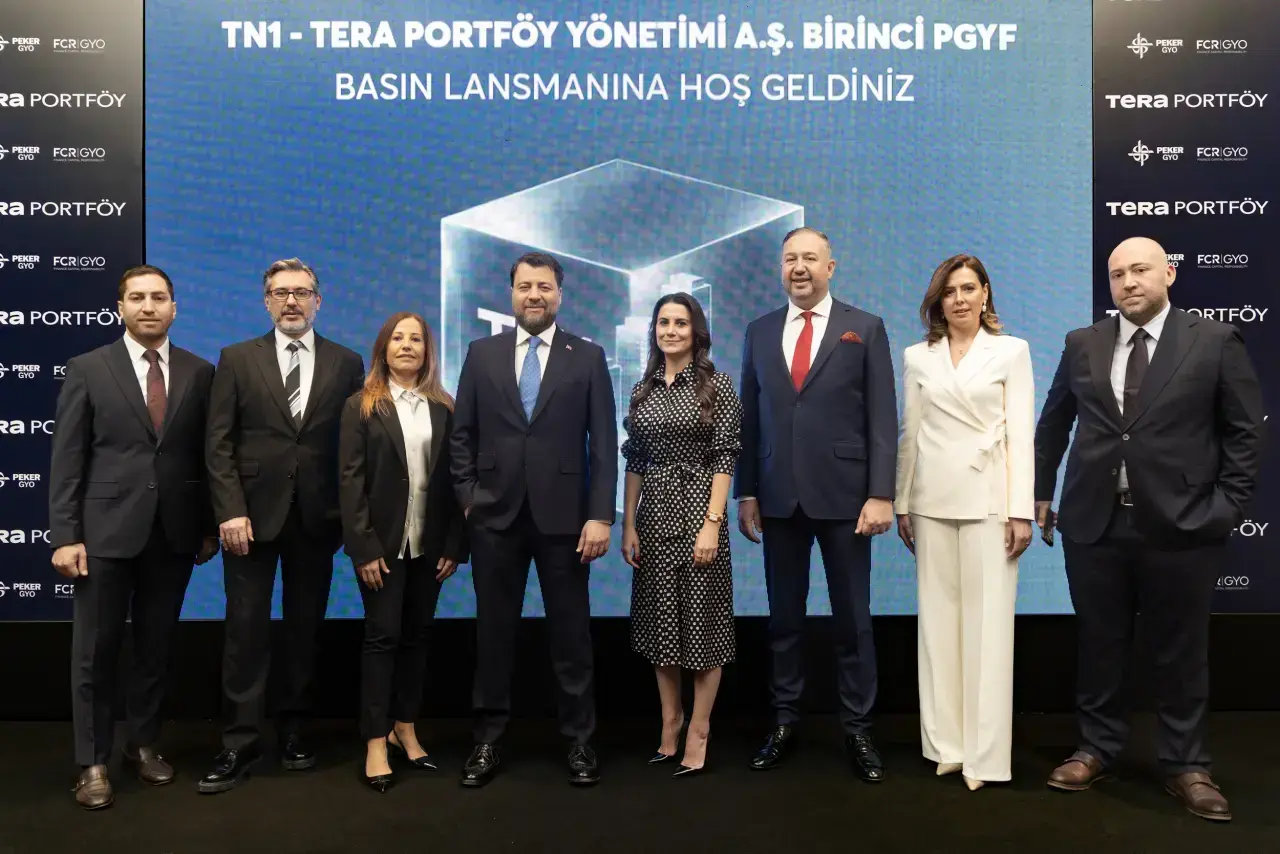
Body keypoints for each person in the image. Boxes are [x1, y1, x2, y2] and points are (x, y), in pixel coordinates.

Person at [1034, 236, 1263, 822]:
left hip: (1183, 525)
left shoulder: (1214, 340)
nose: (1128, 282)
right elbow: (1054, 424)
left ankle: (1186, 765)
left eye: (1140, 270)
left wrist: (1225, 508)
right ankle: (1095, 748)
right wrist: (1039, 493)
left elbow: (1244, 432)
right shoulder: (1082, 342)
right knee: (1100, 644)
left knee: (1180, 651)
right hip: (1095, 522)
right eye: (1118, 274)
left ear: (1169, 274)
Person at [48, 265, 219, 809]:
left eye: (159, 298)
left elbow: (207, 457)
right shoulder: (88, 368)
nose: (149, 307)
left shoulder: (200, 371)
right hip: (103, 535)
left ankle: (142, 744)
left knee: (155, 647)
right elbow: (68, 458)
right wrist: (65, 535)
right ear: (120, 307)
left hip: (173, 534)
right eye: (138, 298)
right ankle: (92, 762)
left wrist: (208, 526)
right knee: (94, 652)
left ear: (174, 308)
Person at [735, 227, 898, 782]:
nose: (799, 267)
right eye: (790, 259)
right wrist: (747, 490)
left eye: (810, 258)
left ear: (831, 267)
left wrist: (881, 493)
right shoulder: (759, 331)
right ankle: (785, 721)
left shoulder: (864, 327)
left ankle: (858, 729)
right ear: (781, 269)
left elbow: (882, 417)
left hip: (847, 498)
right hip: (778, 497)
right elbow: (749, 417)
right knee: (784, 620)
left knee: (853, 620)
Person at [450, 251, 617, 788]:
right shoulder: (482, 353)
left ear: (559, 295)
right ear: (512, 293)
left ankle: (580, 741)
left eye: (544, 287)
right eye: (525, 286)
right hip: (494, 518)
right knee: (493, 635)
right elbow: (462, 435)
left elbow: (604, 445)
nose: (534, 296)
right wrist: (469, 498)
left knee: (571, 637)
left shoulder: (587, 357)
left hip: (566, 521)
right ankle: (487, 740)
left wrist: (600, 516)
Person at [200, 258, 365, 793]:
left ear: (319, 301)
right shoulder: (236, 358)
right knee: (244, 632)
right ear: (266, 301)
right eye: (280, 292)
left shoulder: (347, 362)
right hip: (247, 520)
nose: (291, 301)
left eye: (302, 292)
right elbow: (218, 443)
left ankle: (295, 731)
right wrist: (229, 509)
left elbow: (352, 448)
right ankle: (239, 740)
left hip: (317, 519)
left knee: (303, 632)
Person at [894, 254, 1034, 791]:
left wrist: (1020, 510)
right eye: (949, 291)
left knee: (989, 631)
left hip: (990, 502)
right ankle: (946, 747)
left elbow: (1021, 434)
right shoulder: (917, 356)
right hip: (930, 502)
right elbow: (910, 433)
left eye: (968, 288)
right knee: (937, 628)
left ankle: (985, 758)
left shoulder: (1011, 351)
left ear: (985, 294)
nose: (959, 299)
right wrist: (902, 502)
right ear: (939, 300)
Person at [338, 312, 468, 793]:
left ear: (428, 351)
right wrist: (363, 547)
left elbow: (457, 481)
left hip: (430, 546)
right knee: (383, 637)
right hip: (382, 547)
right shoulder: (361, 405)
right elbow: (349, 481)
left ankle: (405, 728)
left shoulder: (445, 407)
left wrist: (455, 543)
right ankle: (376, 739)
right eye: (398, 337)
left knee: (417, 637)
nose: (407, 345)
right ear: (384, 348)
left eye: (416, 338)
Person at [621, 293, 743, 777]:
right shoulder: (642, 389)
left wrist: (712, 523)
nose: (670, 330)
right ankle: (670, 722)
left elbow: (725, 456)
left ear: (696, 332)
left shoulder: (717, 384)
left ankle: (700, 728)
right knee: (660, 627)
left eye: (680, 323)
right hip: (653, 517)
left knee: (703, 628)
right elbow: (635, 460)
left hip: (698, 515)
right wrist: (629, 523)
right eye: (663, 322)